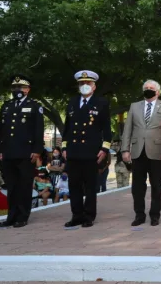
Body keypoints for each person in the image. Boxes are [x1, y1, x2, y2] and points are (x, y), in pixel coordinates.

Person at [121, 79, 161, 227]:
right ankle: (139, 215)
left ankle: (155, 215)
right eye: (145, 87)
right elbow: (127, 129)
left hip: (157, 152)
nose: (148, 90)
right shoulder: (134, 106)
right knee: (137, 186)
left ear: (157, 92)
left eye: (151, 88)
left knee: (156, 185)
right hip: (138, 151)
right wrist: (125, 149)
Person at [62, 70, 112, 228]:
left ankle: (88, 216)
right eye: (82, 83)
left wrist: (104, 149)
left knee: (90, 186)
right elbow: (67, 128)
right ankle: (76, 215)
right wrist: (64, 147)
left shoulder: (101, 103)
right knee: (74, 186)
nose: (85, 86)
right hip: (74, 151)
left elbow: (107, 129)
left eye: (88, 83)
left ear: (94, 86)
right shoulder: (72, 102)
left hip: (92, 151)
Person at [0, 74, 45, 228]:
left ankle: (22, 216)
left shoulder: (35, 106)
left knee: (24, 186)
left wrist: (37, 150)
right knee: (11, 187)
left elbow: (39, 130)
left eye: (21, 87)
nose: (17, 90)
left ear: (28, 90)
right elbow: (1, 130)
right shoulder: (7, 106)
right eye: (15, 87)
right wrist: (0, 150)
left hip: (26, 153)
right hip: (9, 153)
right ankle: (11, 216)